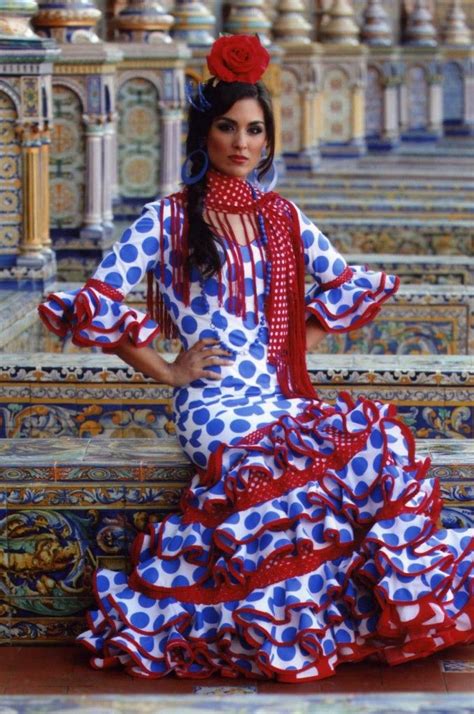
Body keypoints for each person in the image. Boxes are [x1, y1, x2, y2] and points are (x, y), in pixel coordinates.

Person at [38, 35, 473, 682]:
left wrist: (295, 347)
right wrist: (168, 369)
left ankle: (367, 615)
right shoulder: (167, 219)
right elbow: (93, 298)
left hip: (275, 393)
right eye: (227, 127)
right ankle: (282, 630)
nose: (241, 142)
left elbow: (345, 283)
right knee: (285, 476)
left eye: (254, 130)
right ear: (203, 135)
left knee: (374, 449)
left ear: (268, 141)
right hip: (212, 405)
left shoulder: (281, 217)